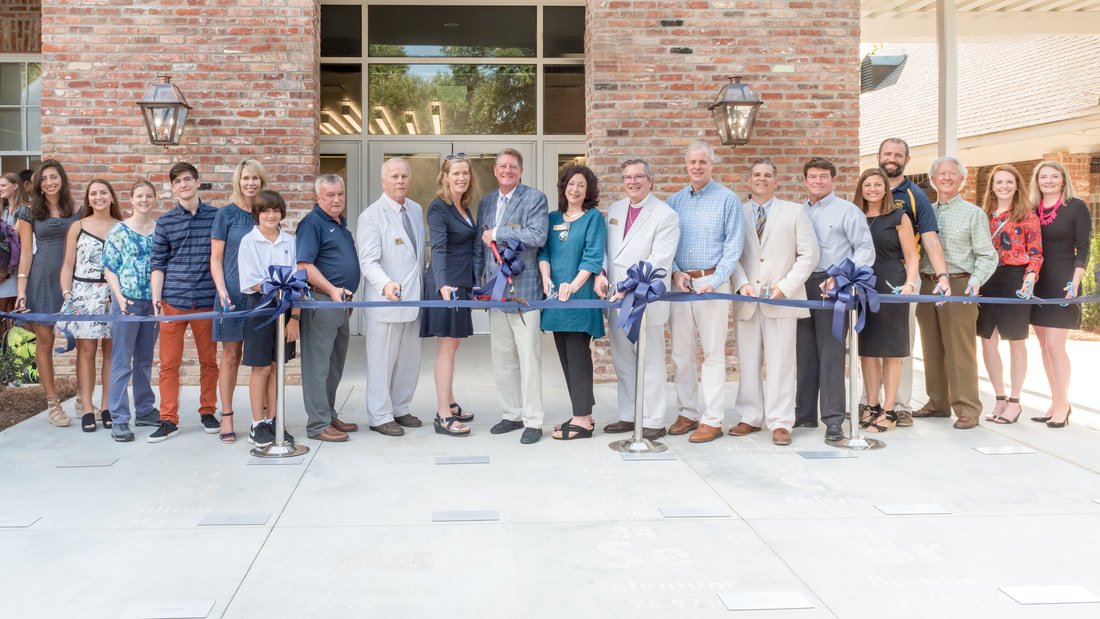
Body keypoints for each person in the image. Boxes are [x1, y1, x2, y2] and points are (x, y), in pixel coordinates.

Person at [731, 158, 818, 446]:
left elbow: (809, 255)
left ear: (777, 181)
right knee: (747, 361)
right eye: (756, 174)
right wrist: (742, 283)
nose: (762, 179)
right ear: (748, 181)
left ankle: (780, 422)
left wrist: (785, 287)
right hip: (746, 299)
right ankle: (749, 416)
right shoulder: (737, 212)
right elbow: (732, 253)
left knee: (781, 363)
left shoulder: (795, 212)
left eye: (768, 175)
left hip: (782, 300)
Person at [594, 158, 679, 439]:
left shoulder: (665, 214)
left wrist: (629, 285)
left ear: (650, 181)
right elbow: (607, 248)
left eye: (639, 177)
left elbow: (660, 260)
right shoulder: (616, 209)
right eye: (628, 177)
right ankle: (629, 415)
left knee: (651, 360)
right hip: (616, 298)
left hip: (644, 299)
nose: (633, 181)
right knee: (623, 360)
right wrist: (603, 272)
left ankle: (654, 419)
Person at [666, 141, 744, 443]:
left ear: (712, 164)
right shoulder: (674, 202)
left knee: (712, 354)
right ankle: (687, 412)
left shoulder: (727, 199)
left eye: (703, 162)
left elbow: (734, 245)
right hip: (681, 284)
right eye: (692, 162)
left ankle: (712, 419)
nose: (697, 167)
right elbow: (666, 242)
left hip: (713, 282)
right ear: (686, 165)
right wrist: (675, 271)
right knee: (681, 354)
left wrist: (717, 278)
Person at [912, 156, 997, 429]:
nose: (946, 178)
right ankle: (937, 402)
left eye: (952, 174)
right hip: (927, 283)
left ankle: (968, 408)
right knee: (931, 345)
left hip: (960, 284)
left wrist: (976, 281)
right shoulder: (925, 212)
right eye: (941, 174)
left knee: (960, 348)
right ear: (933, 180)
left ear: (962, 180)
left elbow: (987, 255)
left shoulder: (973, 214)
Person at [794, 157, 875, 441]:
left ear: (833, 180)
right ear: (804, 181)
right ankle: (803, 414)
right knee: (803, 351)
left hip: (832, 285)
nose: (817, 181)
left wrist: (842, 276)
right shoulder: (797, 211)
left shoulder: (848, 212)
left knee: (831, 354)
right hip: (801, 285)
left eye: (823, 177)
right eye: (812, 176)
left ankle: (833, 420)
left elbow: (865, 249)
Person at [473, 149, 549, 444]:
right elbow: (482, 246)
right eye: (502, 166)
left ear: (521, 170)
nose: (507, 171)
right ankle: (511, 414)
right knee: (502, 358)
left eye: (513, 167)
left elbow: (537, 235)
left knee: (529, 358)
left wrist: (499, 232)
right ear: (494, 170)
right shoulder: (487, 202)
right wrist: (478, 281)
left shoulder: (534, 198)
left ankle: (533, 419)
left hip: (525, 292)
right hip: (496, 292)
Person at [876, 138, 950, 426]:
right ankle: (868, 401)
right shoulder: (867, 188)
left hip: (904, 276)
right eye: (887, 153)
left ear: (906, 160)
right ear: (878, 156)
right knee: (867, 337)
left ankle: (901, 404)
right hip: (869, 275)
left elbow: (930, 239)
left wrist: (942, 275)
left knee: (900, 341)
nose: (891, 158)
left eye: (897, 155)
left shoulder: (915, 195)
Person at [149, 162, 220, 442]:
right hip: (173, 302)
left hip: (206, 300)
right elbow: (158, 263)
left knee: (209, 362)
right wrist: (156, 298)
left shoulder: (217, 216)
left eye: (188, 179)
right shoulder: (165, 222)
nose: (184, 185)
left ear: (198, 181)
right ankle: (168, 419)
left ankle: (208, 411)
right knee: (168, 364)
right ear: (172, 187)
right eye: (178, 181)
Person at [356, 158, 425, 437]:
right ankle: (380, 415)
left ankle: (400, 407)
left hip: (414, 301)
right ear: (383, 181)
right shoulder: (371, 216)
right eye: (394, 176)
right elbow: (368, 261)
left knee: (409, 361)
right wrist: (385, 284)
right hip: (386, 302)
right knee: (382, 361)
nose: (400, 181)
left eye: (404, 176)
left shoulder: (416, 210)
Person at [538, 165, 606, 440]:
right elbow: (543, 251)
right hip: (555, 298)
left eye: (581, 185)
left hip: (580, 297)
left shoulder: (593, 218)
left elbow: (592, 256)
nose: (575, 189)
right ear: (563, 187)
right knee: (565, 357)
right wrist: (546, 279)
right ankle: (583, 415)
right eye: (571, 184)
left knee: (578, 356)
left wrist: (573, 286)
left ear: (588, 190)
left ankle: (582, 420)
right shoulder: (553, 217)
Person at [14, 160, 81, 427]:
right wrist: (21, 290)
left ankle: (82, 399)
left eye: (54, 177)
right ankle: (52, 403)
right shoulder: (29, 212)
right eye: (44, 178)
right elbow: (26, 255)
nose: (50, 182)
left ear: (62, 179)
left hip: (74, 280)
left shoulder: (77, 209)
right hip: (41, 279)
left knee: (83, 341)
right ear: (38, 184)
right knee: (46, 341)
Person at [853, 168, 919, 433]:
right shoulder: (855, 216)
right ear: (861, 189)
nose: (872, 189)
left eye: (877, 184)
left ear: (885, 188)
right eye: (867, 184)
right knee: (868, 352)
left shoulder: (899, 216)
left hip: (892, 286)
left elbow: (912, 256)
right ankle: (871, 405)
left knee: (891, 353)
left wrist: (910, 284)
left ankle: (889, 410)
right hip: (863, 287)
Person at [297, 174, 360, 442]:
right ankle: (318, 424)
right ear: (318, 198)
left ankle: (329, 413)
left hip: (340, 305)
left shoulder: (340, 224)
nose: (336, 200)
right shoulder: (312, 224)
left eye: (340, 194)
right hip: (321, 302)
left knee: (335, 364)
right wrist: (333, 290)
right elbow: (304, 266)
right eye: (330, 195)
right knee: (318, 366)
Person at [1028, 160, 1091, 428]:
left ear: (1064, 180)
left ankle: (1064, 404)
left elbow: (1084, 247)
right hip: (1039, 281)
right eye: (1044, 177)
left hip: (1064, 281)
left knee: (1056, 346)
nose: (1049, 181)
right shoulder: (1031, 209)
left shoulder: (1075, 207)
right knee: (1043, 346)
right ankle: (1055, 401)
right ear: (1037, 181)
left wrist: (1075, 282)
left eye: (1055, 176)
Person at [421, 155, 480, 437]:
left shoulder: (464, 207)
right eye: (456, 173)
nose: (461, 178)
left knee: (452, 347)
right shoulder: (439, 208)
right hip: (447, 286)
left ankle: (451, 401)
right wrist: (443, 284)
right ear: (445, 176)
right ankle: (443, 415)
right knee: (445, 348)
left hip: (462, 284)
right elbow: (439, 249)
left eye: (465, 173)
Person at [978, 165, 1042, 425]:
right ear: (992, 187)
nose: (1003, 186)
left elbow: (1036, 253)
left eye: (1009, 182)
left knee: (1016, 341)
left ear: (1017, 186)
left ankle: (1015, 401)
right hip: (988, 279)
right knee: (987, 341)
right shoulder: (984, 216)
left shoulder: (1027, 215)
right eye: (999, 182)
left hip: (1016, 278)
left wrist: (1029, 278)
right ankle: (999, 398)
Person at [210, 159, 267, 440]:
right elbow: (216, 258)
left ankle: (264, 416)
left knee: (262, 359)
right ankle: (227, 416)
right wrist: (221, 291)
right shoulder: (226, 215)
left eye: (255, 178)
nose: (250, 183)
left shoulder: (266, 213)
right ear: (238, 181)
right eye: (246, 178)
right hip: (231, 295)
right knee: (230, 357)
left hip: (260, 299)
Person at [59, 179, 123, 432]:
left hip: (112, 293)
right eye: (93, 193)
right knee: (86, 351)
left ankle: (107, 407)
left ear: (112, 197)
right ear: (88, 199)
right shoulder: (78, 226)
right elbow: (67, 264)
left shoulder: (122, 227)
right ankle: (87, 407)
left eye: (103, 192)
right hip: (83, 292)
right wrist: (66, 292)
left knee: (110, 352)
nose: (98, 197)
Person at [238, 190, 299, 447]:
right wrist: (274, 286)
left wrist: (294, 316)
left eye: (275, 210)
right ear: (257, 214)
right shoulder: (248, 242)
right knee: (261, 366)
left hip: (286, 309)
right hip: (260, 308)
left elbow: (298, 280)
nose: (271, 215)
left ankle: (275, 419)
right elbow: (251, 280)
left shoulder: (290, 241)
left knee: (277, 366)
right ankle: (257, 423)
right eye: (265, 211)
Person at [103, 180, 160, 442]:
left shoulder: (159, 231)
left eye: (149, 196)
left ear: (155, 199)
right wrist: (120, 296)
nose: (144, 200)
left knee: (145, 359)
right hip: (126, 302)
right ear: (131, 199)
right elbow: (109, 268)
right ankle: (120, 418)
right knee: (122, 360)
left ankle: (145, 409)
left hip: (151, 302)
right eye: (139, 196)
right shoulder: (119, 230)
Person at [0, 172, 30, 326]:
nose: (0, 189)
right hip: (3, 267)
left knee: (11, 312)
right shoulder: (4, 211)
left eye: (3, 185)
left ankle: (9, 348)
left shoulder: (24, 210)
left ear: (16, 186)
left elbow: (15, 234)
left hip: (16, 268)